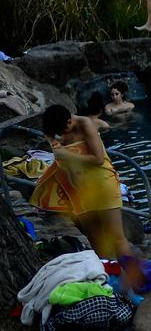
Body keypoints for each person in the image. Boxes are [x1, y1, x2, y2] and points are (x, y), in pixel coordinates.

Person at [29, 105, 130, 260]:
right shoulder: (56, 128)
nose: (61, 135)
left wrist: (67, 154)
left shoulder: (86, 124)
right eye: (58, 133)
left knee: (116, 236)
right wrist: (54, 142)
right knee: (94, 237)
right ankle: (106, 274)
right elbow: (50, 136)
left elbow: (98, 158)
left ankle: (133, 278)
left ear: (70, 121)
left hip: (102, 183)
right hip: (78, 188)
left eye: (63, 131)